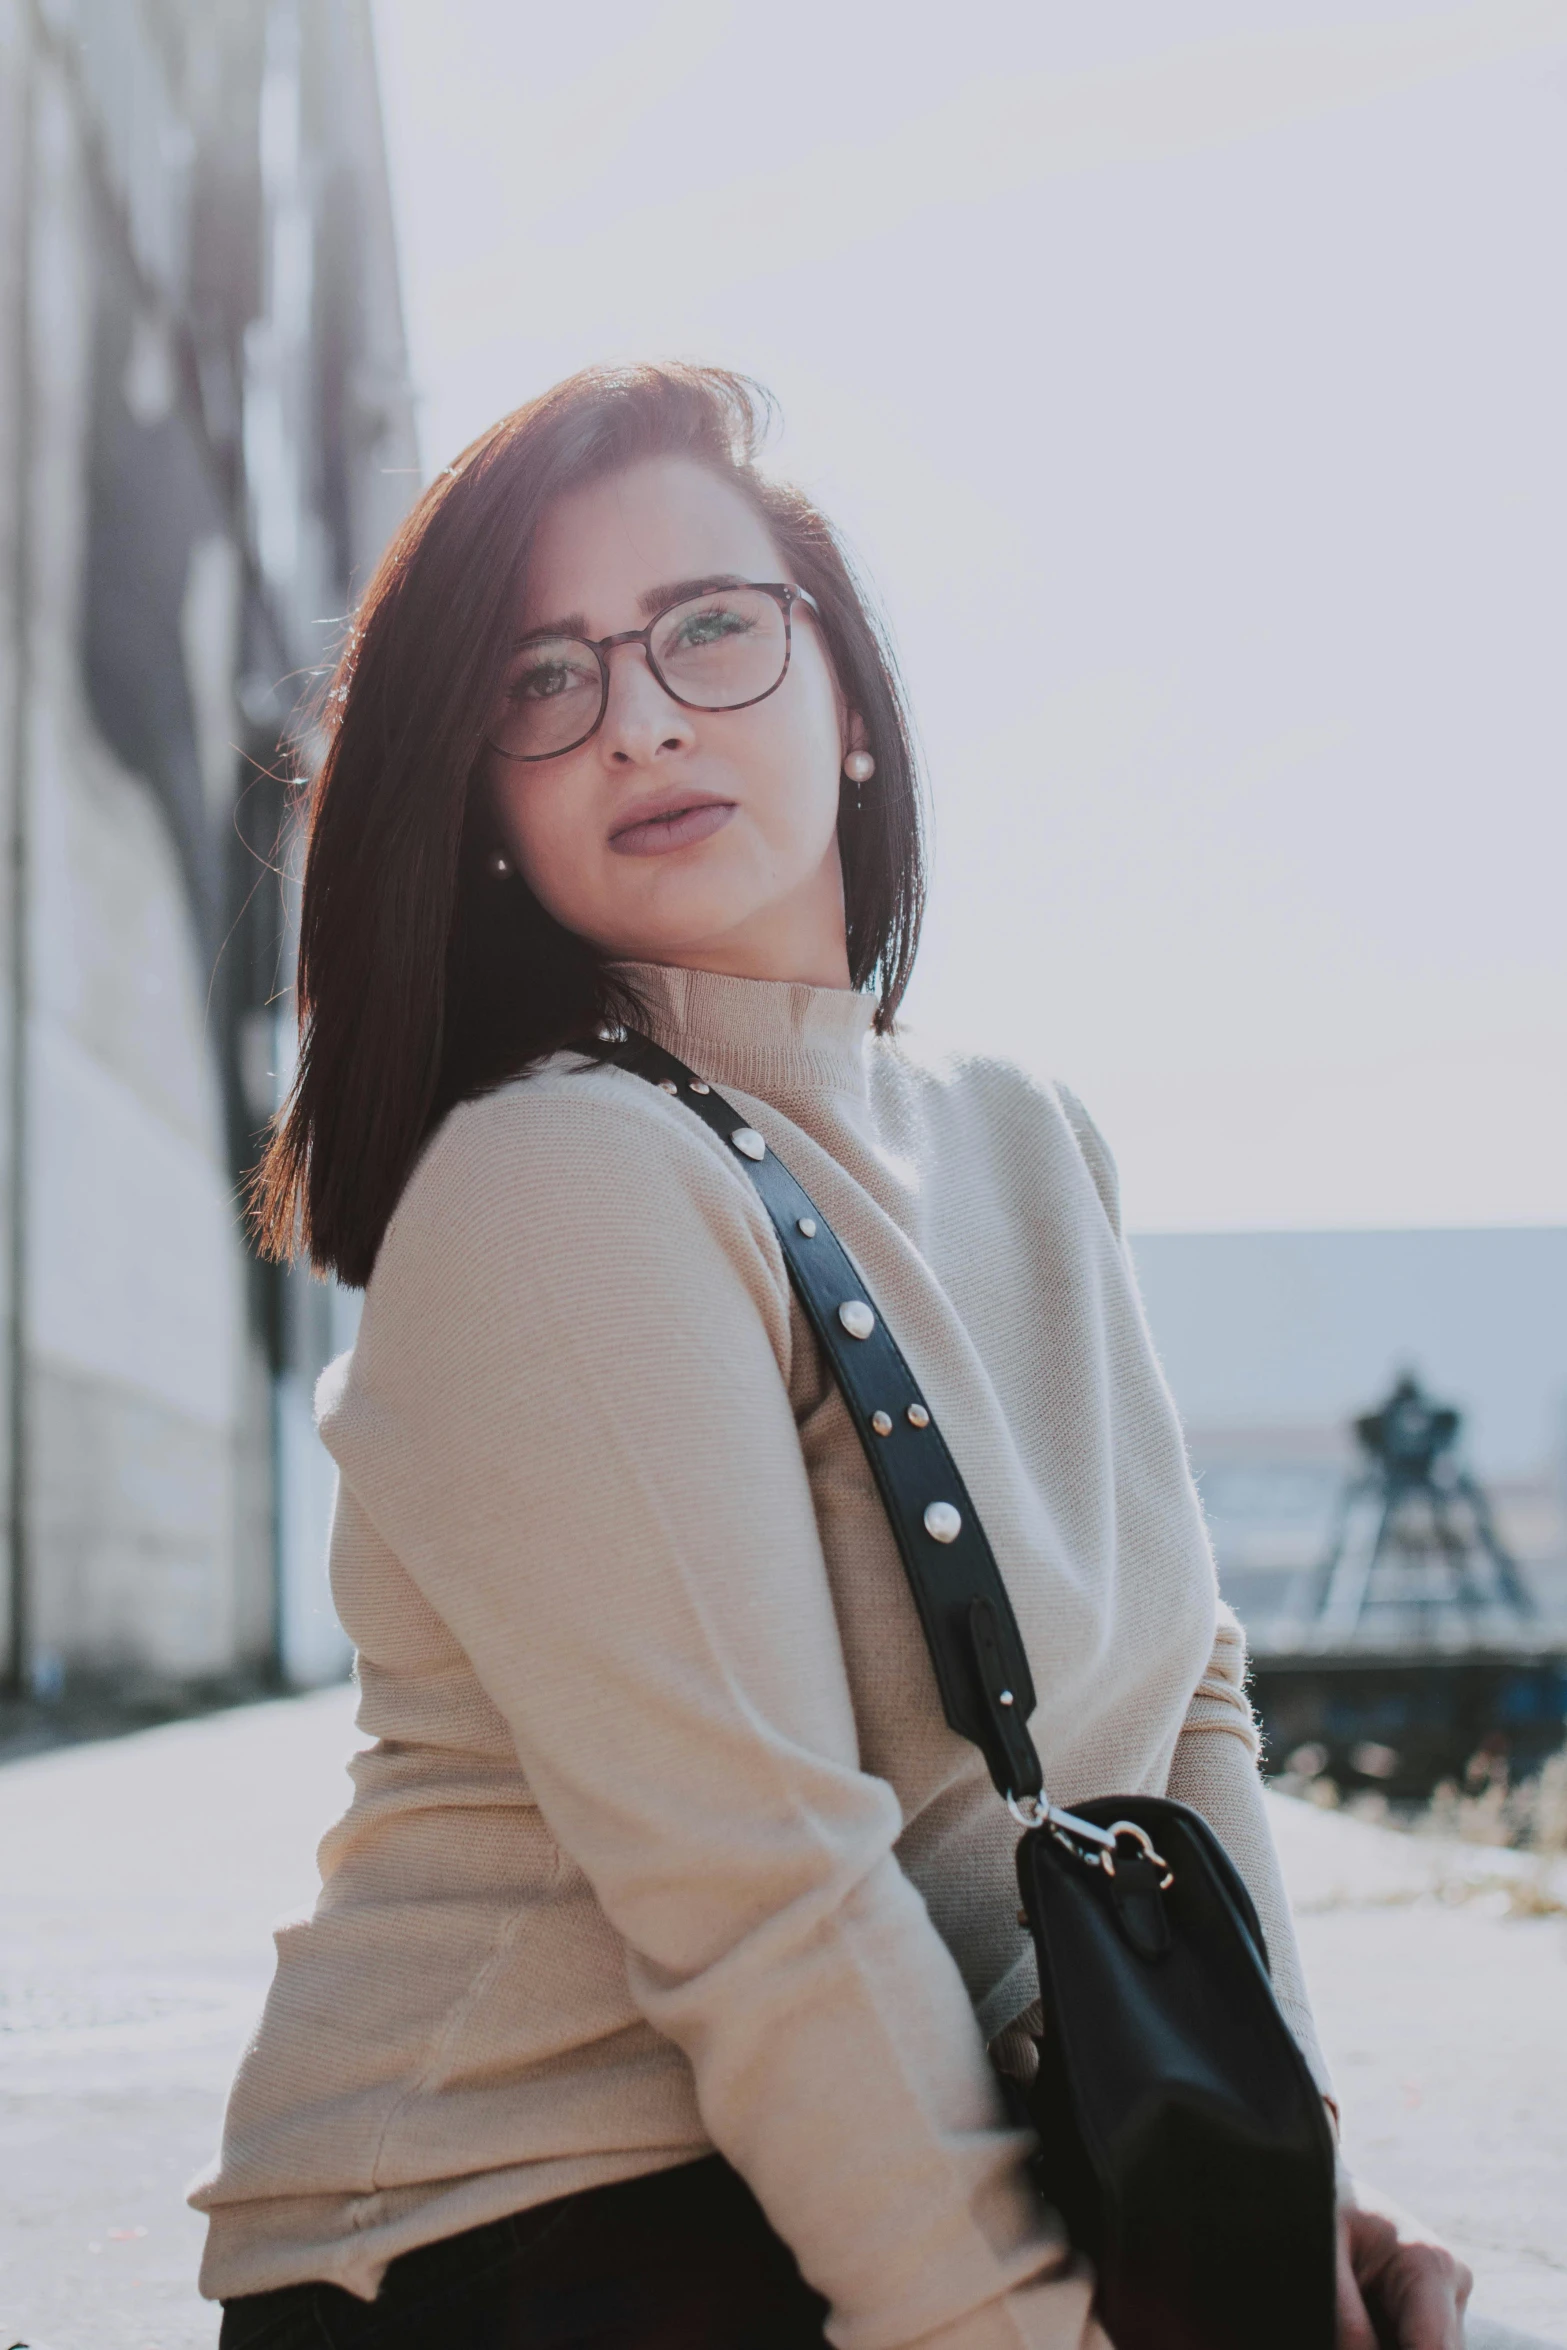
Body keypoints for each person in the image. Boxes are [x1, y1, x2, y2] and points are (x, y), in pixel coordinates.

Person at [194, 364, 1474, 2349]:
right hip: (527, 2225)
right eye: (545, 680)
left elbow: (1184, 1707)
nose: (638, 713)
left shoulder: (1032, 1141)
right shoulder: (559, 1177)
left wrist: (1264, 2194)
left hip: (894, 2164)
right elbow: (766, 1886)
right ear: (494, 809)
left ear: (851, 708)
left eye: (711, 626)